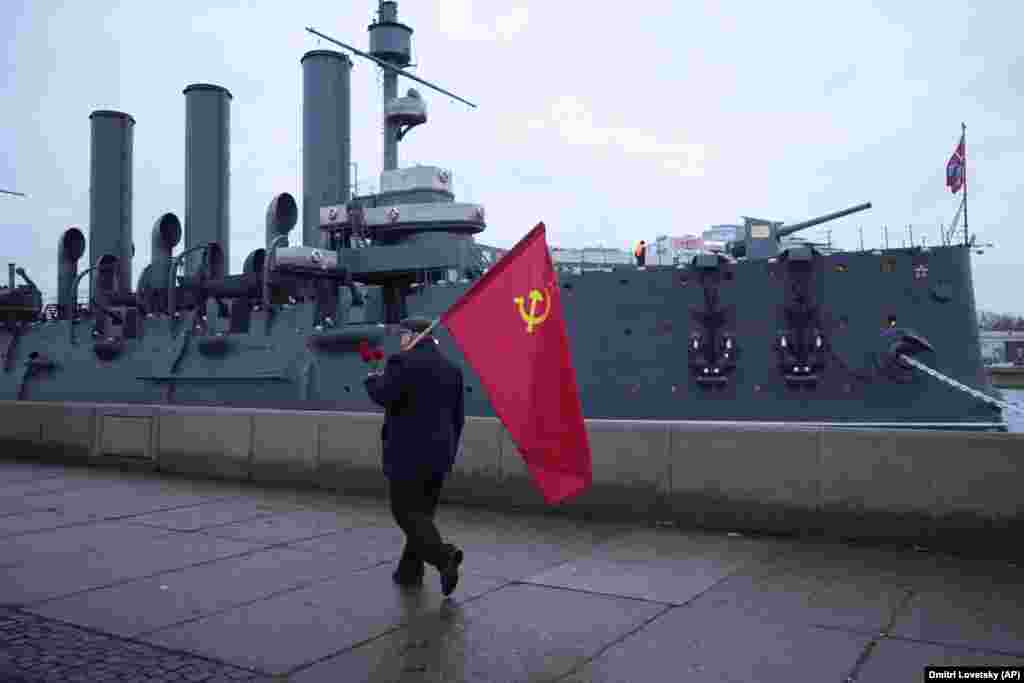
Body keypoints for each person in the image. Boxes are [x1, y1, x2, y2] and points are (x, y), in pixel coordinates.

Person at [364, 317, 465, 596]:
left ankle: (444, 556)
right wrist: (449, 451)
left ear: (412, 336)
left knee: (405, 513)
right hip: (440, 454)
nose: (400, 341)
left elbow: (385, 395)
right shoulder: (452, 369)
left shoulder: (402, 362)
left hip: (408, 453)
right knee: (422, 515)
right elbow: (458, 418)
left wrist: (372, 378)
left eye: (402, 335)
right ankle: (410, 572)